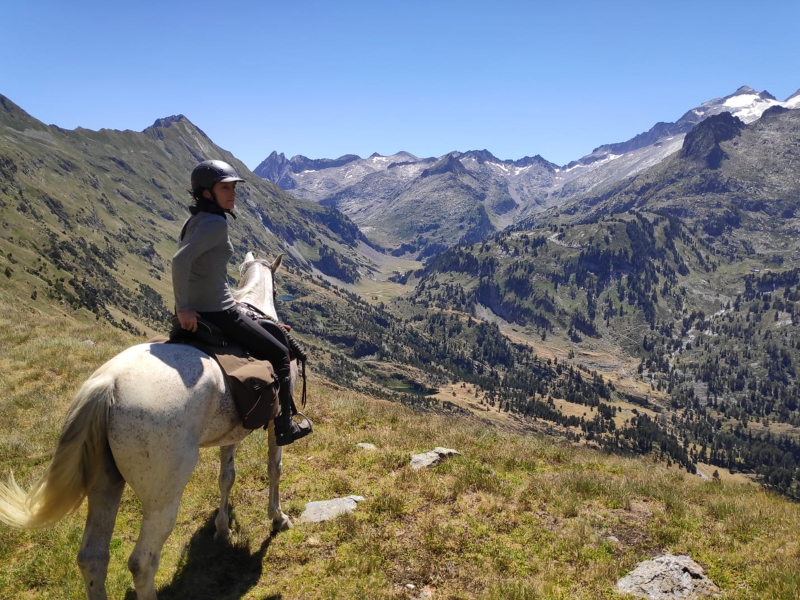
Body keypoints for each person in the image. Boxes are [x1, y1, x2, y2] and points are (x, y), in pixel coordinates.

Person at [171, 159, 312, 446]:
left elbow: (202, 269)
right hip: (220, 312)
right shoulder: (214, 223)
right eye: (225, 188)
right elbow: (180, 260)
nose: (233, 193)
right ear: (207, 192)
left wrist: (186, 305)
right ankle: (285, 427)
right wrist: (183, 306)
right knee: (281, 354)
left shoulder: (195, 219)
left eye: (234, 187)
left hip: (203, 307)